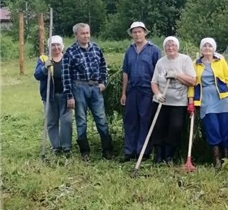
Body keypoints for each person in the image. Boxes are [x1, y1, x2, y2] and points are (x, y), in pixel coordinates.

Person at [62, 23, 112, 161]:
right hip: (79, 87)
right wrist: (69, 96)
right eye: (83, 33)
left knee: (101, 119)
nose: (86, 36)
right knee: (81, 120)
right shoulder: (70, 52)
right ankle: (85, 151)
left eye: (88, 33)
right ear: (76, 35)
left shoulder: (96, 48)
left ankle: (107, 149)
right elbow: (66, 76)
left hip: (95, 88)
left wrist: (103, 82)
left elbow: (103, 66)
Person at [188, 38, 228, 169]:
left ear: (214, 48)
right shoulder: (195, 64)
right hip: (205, 100)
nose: (207, 48)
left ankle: (226, 157)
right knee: (212, 127)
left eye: (210, 46)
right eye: (205, 46)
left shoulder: (221, 62)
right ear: (201, 49)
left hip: (222, 98)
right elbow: (191, 84)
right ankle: (216, 159)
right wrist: (191, 101)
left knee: (224, 127)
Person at [150, 36, 196, 164]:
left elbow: (192, 81)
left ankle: (169, 155)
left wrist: (177, 75)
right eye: (168, 45)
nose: (171, 48)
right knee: (159, 127)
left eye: (173, 45)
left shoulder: (185, 60)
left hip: (178, 102)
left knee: (176, 127)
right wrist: (158, 94)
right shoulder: (160, 62)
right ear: (164, 48)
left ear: (177, 47)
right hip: (161, 102)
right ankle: (159, 155)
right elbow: (153, 82)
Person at [120, 22, 161, 162]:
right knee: (130, 120)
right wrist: (123, 93)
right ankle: (129, 150)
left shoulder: (154, 50)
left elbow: (158, 71)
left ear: (145, 33)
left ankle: (142, 151)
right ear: (131, 34)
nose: (137, 34)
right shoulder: (129, 51)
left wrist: (158, 92)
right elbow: (125, 72)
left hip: (147, 91)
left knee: (145, 120)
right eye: (134, 32)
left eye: (139, 31)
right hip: (132, 90)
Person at [34, 36, 72, 155]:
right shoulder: (44, 58)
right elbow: (37, 75)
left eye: (58, 45)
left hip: (66, 95)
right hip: (49, 96)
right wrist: (45, 67)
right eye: (53, 45)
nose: (56, 47)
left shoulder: (67, 58)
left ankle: (66, 146)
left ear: (62, 46)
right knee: (52, 121)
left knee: (67, 121)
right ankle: (56, 147)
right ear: (49, 47)